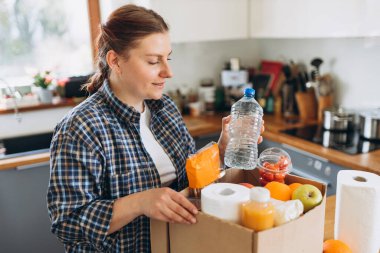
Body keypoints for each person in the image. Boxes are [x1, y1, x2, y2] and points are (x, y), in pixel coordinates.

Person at [47, 4, 263, 253]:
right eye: (153, 61)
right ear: (115, 61)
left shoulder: (165, 107)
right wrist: (141, 202)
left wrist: (222, 151)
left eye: (167, 58)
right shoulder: (81, 128)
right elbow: (67, 222)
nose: (168, 72)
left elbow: (188, 180)